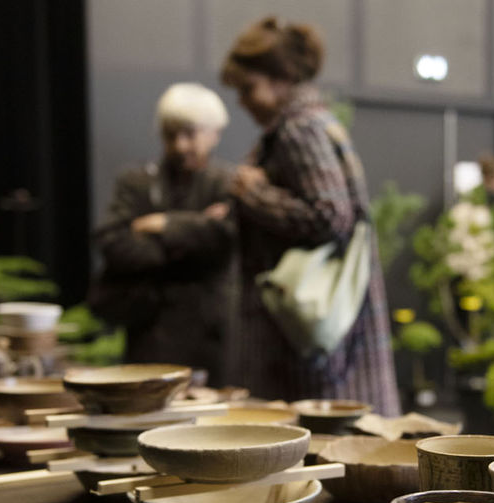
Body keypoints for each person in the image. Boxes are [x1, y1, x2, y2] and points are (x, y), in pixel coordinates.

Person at [220, 17, 399, 415]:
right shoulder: (316, 122)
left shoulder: (298, 129)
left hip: (301, 338)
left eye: (249, 88)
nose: (243, 102)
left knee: (315, 442)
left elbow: (329, 215)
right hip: (313, 333)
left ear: (282, 78)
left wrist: (253, 192)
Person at [88, 83, 235, 385]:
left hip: (210, 334)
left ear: (214, 133)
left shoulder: (228, 183)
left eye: (190, 134)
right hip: (149, 328)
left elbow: (225, 238)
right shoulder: (136, 181)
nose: (180, 146)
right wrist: (194, 232)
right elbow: (113, 242)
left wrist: (164, 225)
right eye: (171, 134)